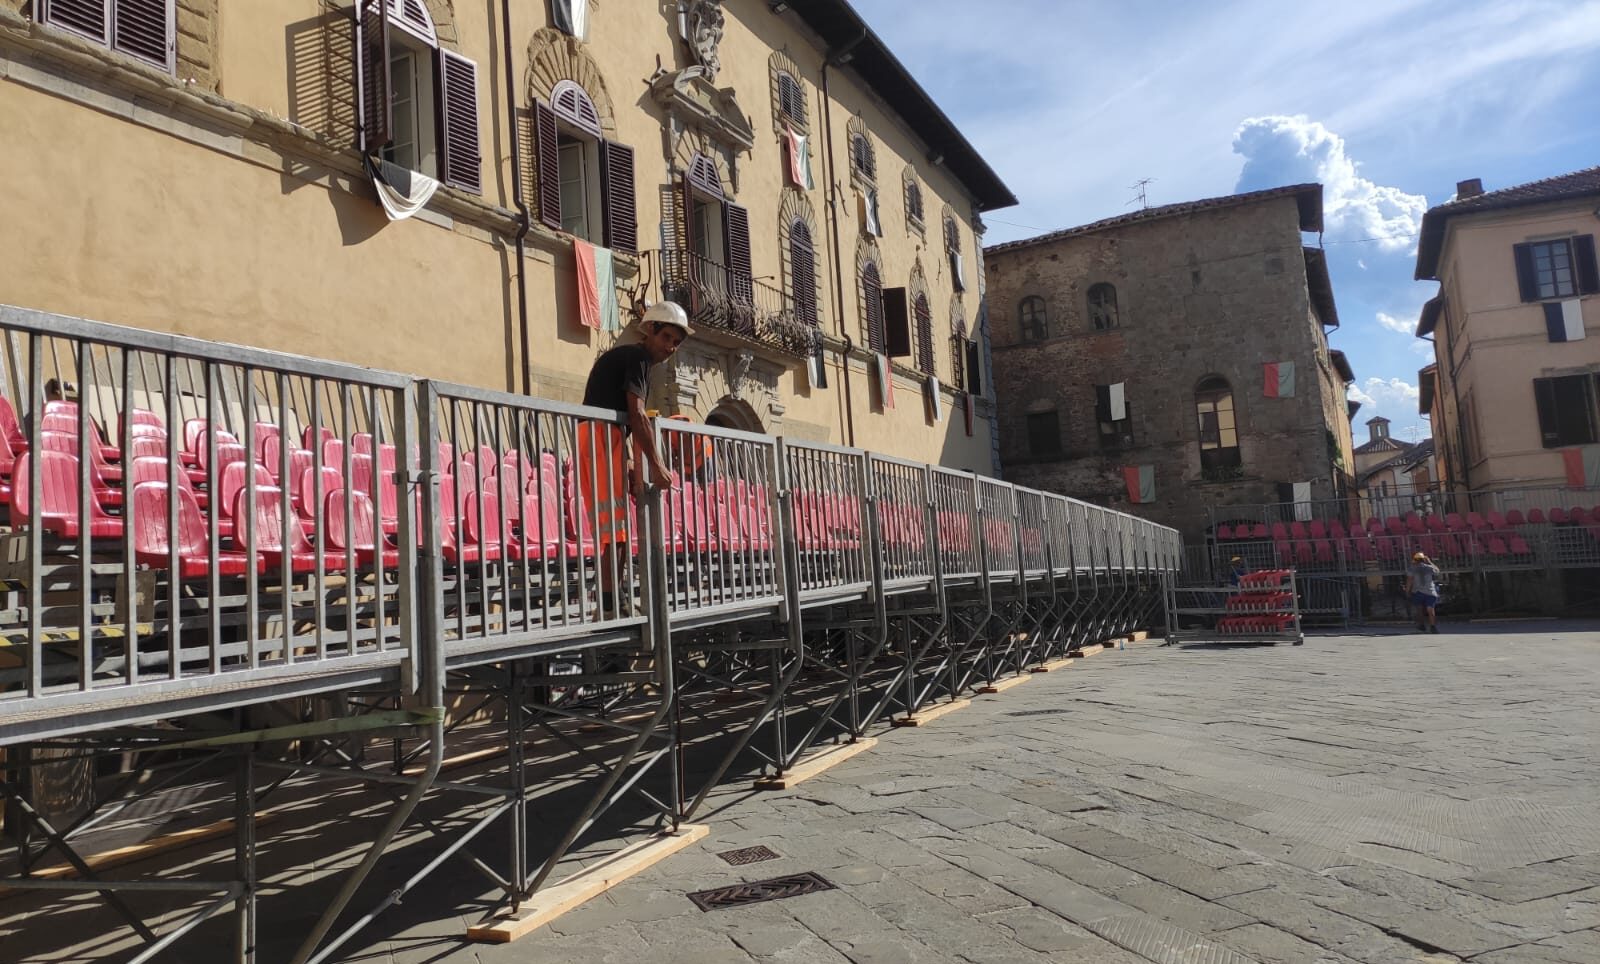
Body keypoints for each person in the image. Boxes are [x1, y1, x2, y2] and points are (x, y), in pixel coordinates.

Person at [579, 302, 692, 615]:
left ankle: (614, 601)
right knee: (611, 527)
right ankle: (609, 605)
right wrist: (657, 466)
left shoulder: (632, 358)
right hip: (600, 436)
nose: (670, 347)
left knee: (616, 527)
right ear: (650, 330)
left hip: (604, 436)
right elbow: (637, 413)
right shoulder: (639, 358)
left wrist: (628, 458)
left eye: (676, 343)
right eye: (667, 337)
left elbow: (625, 415)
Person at [1405, 551, 1442, 633]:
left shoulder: (1411, 569)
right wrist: (1429, 562)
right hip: (1430, 591)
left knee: (1419, 609)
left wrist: (1407, 591)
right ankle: (1433, 627)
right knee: (1430, 609)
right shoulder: (1429, 568)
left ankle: (1422, 625)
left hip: (1418, 592)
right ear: (1423, 560)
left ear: (1415, 560)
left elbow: (1409, 581)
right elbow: (1437, 571)